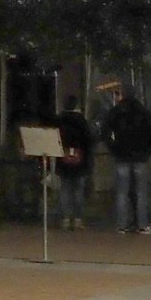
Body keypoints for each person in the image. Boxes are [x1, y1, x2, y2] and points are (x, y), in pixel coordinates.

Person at [101, 87, 151, 234]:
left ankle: (122, 224)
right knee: (141, 192)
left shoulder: (116, 111)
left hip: (121, 155)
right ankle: (143, 224)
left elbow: (105, 131)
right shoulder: (143, 111)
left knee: (122, 192)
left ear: (122, 95)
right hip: (140, 156)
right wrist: (147, 151)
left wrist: (113, 147)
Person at [54, 95, 94, 230]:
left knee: (65, 190)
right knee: (78, 190)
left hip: (63, 160)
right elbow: (88, 141)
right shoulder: (81, 121)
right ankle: (77, 219)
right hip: (80, 161)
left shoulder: (59, 120)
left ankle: (65, 219)